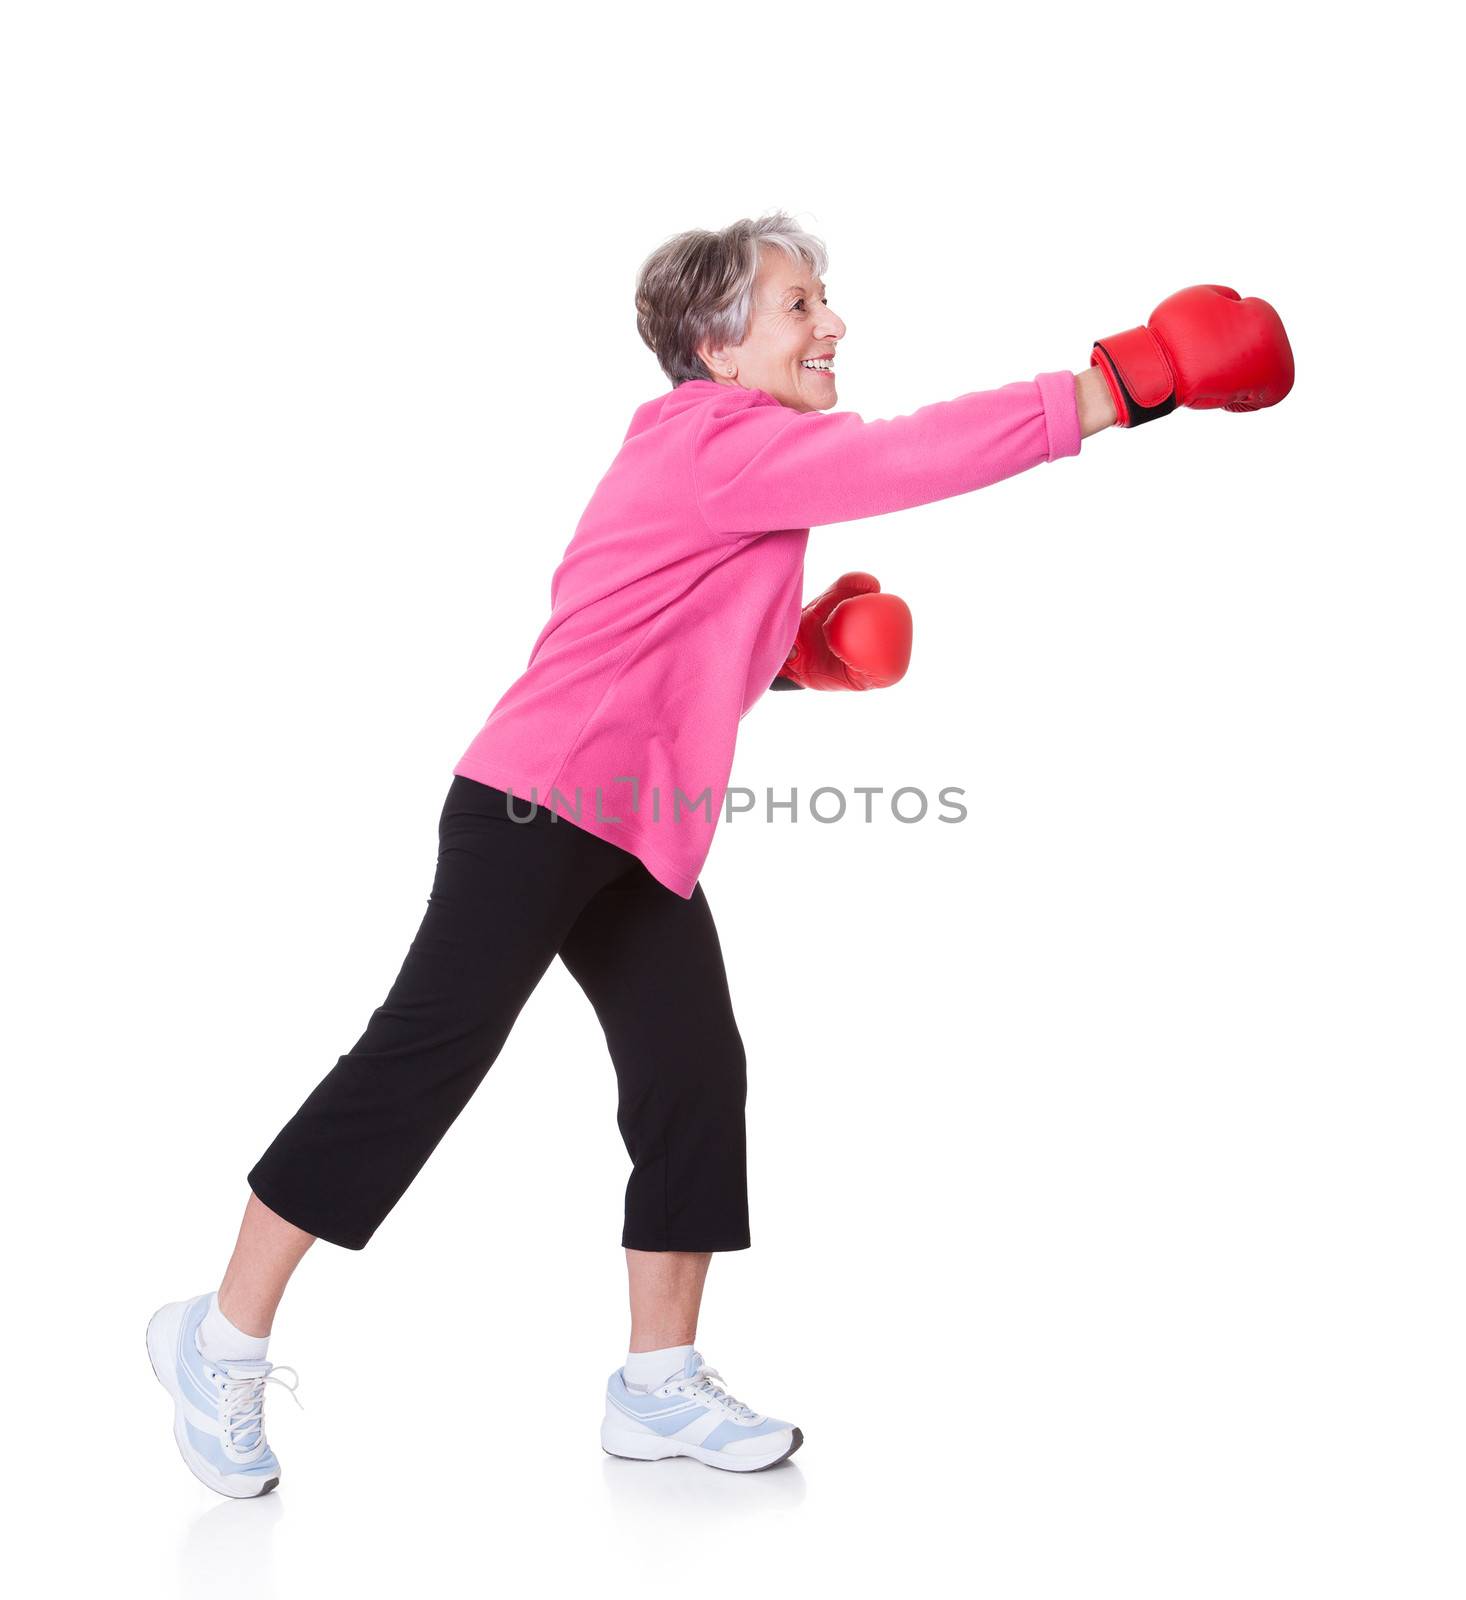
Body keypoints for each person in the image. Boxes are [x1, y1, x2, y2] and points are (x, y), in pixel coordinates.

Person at [147, 212, 1294, 1498]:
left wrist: (803, 658)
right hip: (535, 804)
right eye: (799, 306)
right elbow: (907, 458)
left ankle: (653, 1386)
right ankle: (219, 1336)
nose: (833, 325)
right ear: (715, 342)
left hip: (634, 824)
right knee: (420, 1063)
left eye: (825, 300)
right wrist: (1119, 385)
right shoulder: (717, 441)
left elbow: (659, 635)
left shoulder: (728, 468)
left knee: (693, 1073)